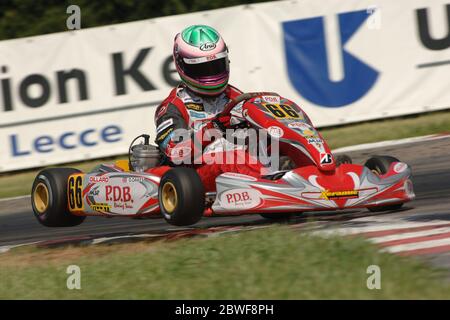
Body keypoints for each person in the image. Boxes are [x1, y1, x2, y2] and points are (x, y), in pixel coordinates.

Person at [154, 25, 264, 191]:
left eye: (216, 65)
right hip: (197, 175)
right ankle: (273, 181)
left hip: (243, 164)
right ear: (183, 66)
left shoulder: (236, 97)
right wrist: (214, 129)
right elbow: (175, 153)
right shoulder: (173, 107)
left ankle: (301, 173)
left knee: (278, 145)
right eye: (202, 69)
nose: (211, 74)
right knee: (233, 158)